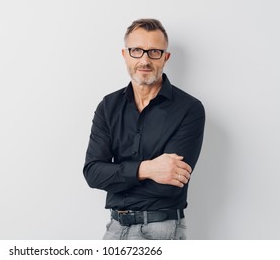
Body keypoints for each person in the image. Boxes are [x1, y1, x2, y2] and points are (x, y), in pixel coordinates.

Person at [83, 18, 205, 240]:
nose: (145, 60)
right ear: (125, 55)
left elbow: (170, 185)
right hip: (114, 228)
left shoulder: (189, 109)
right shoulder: (108, 106)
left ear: (165, 58)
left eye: (154, 52)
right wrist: (148, 169)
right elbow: (93, 173)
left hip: (162, 229)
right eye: (137, 50)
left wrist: (117, 176)